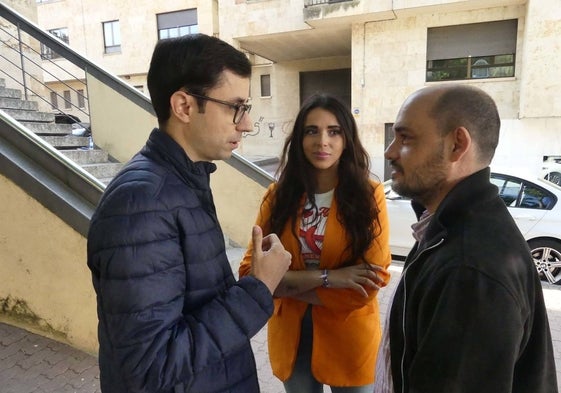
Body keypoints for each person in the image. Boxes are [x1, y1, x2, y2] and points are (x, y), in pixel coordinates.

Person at [87, 34, 291, 393]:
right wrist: (257, 289)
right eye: (235, 107)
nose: (245, 124)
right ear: (183, 106)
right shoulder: (142, 203)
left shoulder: (183, 181)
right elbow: (152, 367)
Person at [375, 84, 558, 393]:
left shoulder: (469, 268)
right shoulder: (447, 229)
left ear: (457, 145)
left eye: (405, 138)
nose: (390, 152)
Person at [239, 93, 392, 393]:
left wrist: (284, 284)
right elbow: (250, 274)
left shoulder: (369, 195)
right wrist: (329, 278)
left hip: (349, 339)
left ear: (346, 139)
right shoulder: (277, 196)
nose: (323, 141)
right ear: (299, 139)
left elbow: (370, 283)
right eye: (312, 131)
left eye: (333, 131)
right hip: (291, 337)